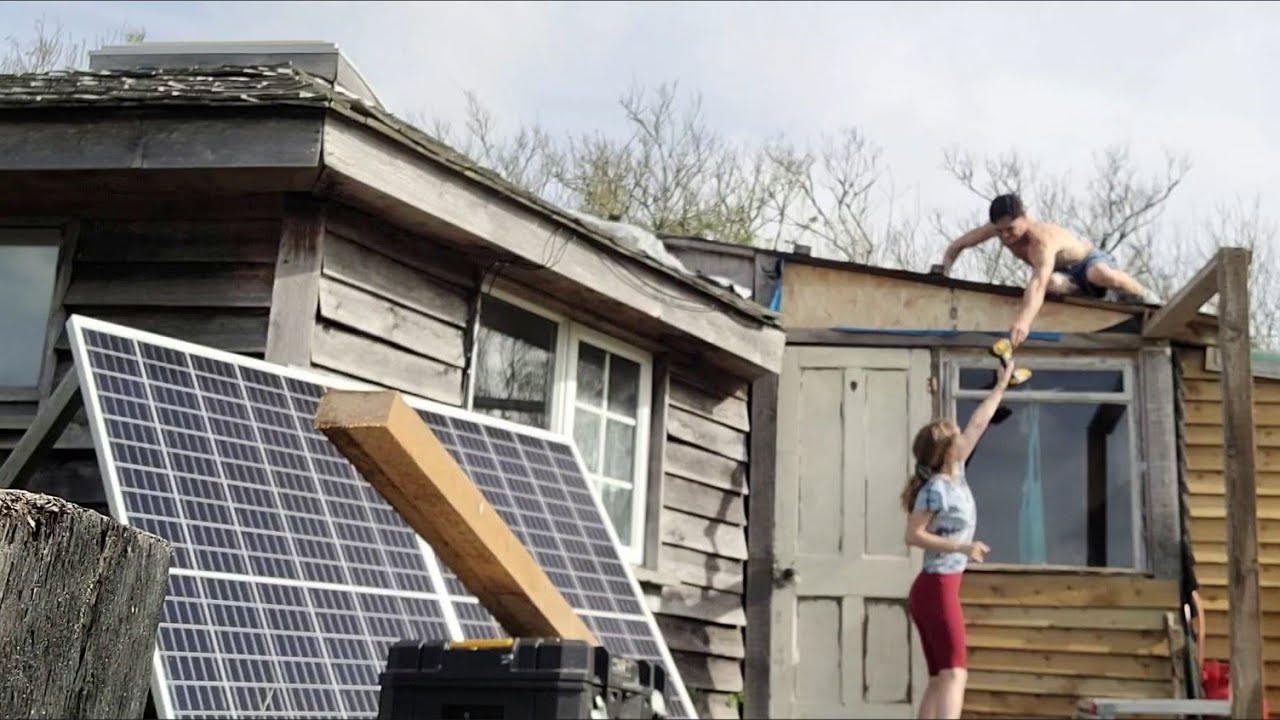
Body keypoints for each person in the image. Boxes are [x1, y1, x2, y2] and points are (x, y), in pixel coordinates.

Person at [901, 360, 1014, 720]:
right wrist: (963, 547)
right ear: (946, 452)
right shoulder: (935, 490)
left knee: (939, 678)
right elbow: (913, 535)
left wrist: (1001, 386)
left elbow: (978, 423)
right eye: (955, 439)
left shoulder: (957, 475)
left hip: (937, 587)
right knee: (955, 673)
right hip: (935, 588)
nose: (962, 439)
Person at [938, 193, 1161, 347]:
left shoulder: (1041, 241)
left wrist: (1024, 321)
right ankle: (1095, 301)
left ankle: (1146, 296)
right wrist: (944, 269)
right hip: (1066, 279)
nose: (1006, 237)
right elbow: (958, 245)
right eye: (1000, 232)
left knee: (1099, 274)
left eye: (1011, 230)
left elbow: (1038, 283)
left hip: (1087, 262)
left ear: (1024, 219)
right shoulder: (996, 229)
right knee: (1055, 283)